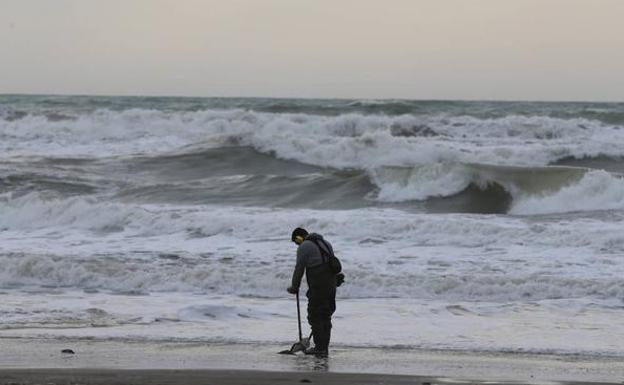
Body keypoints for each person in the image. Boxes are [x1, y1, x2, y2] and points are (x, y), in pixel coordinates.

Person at [287, 227, 337, 356]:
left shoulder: (305, 246)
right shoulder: (326, 243)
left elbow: (299, 268)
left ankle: (319, 348)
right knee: (325, 316)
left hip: (319, 285)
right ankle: (323, 348)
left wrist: (294, 287)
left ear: (299, 238)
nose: (297, 244)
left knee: (315, 315)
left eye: (296, 242)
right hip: (331, 284)